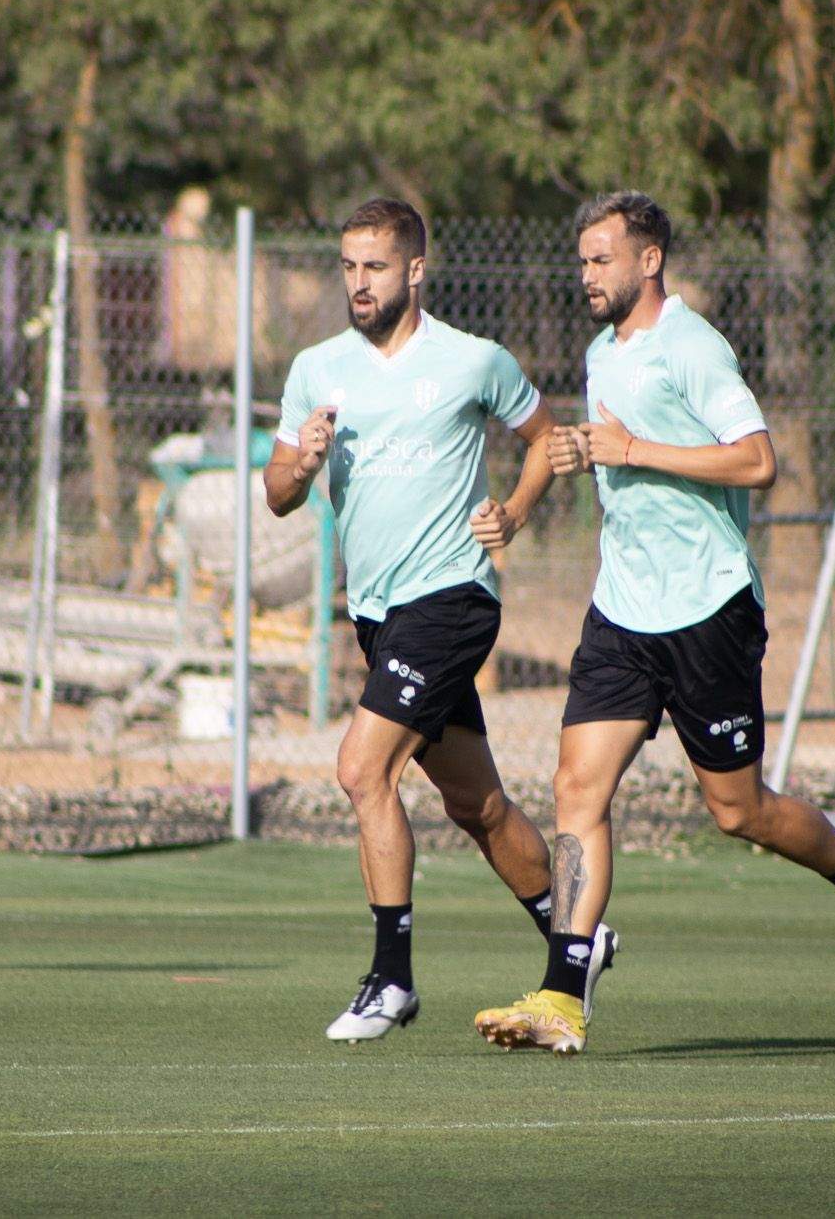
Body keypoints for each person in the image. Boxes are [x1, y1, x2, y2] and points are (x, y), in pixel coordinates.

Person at [475, 191, 835, 1056]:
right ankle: (565, 991)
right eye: (583, 259)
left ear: (650, 259)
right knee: (576, 787)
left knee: (739, 811)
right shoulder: (602, 352)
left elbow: (759, 459)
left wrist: (632, 450)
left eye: (603, 258)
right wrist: (574, 458)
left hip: (708, 609)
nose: (587, 273)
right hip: (623, 610)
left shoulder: (695, 345)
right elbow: (614, 457)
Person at [266, 196, 600, 1043]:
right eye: (348, 267)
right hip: (376, 614)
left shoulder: (472, 360)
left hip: (452, 600)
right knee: (476, 804)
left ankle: (391, 979)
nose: (359, 282)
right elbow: (275, 494)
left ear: (415, 269)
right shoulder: (317, 367)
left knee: (360, 769)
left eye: (374, 266)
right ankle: (575, 939)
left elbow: (545, 437)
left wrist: (516, 513)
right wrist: (302, 463)